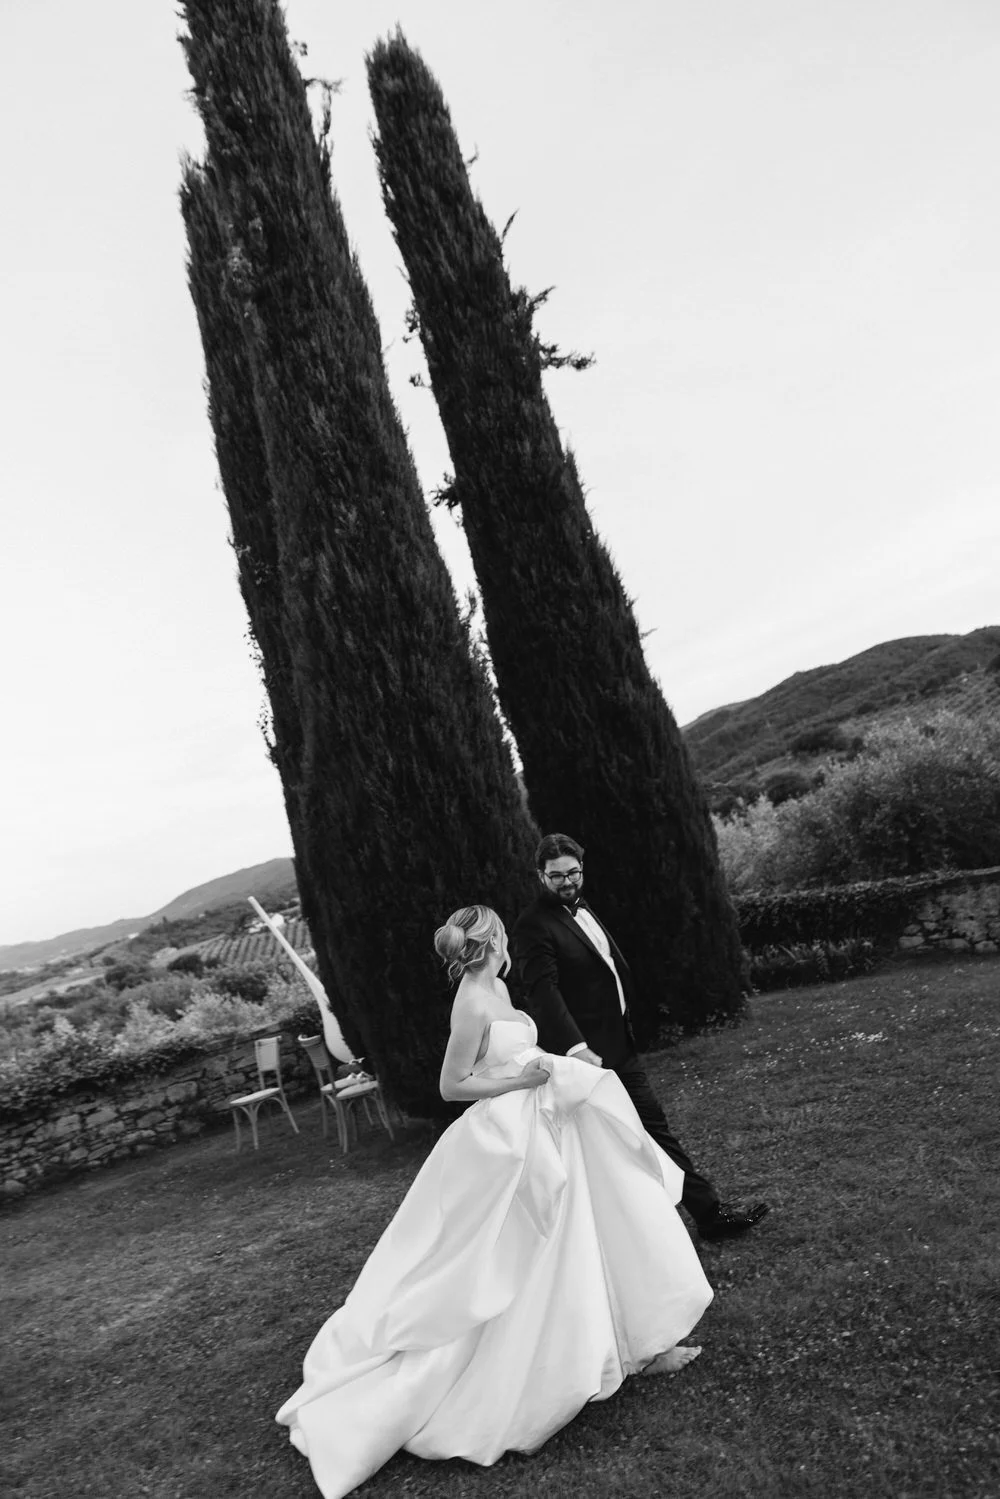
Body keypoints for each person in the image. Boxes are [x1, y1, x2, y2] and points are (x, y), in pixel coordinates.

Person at [276, 905, 713, 1499]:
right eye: (503, 933)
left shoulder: (499, 987)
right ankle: (539, 1372)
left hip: (546, 1118)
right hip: (507, 1136)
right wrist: (523, 1080)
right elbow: (452, 1086)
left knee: (590, 1226)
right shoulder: (470, 1003)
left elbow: (512, 1054)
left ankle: (637, 1346)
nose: (509, 939)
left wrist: (550, 1068)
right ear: (490, 942)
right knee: (524, 1248)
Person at [511, 832, 769, 1242]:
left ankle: (704, 1216)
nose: (567, 882)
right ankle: (601, 1237)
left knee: (649, 1130)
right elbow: (544, 993)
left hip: (618, 1042)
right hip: (588, 1058)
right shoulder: (532, 925)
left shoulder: (585, 908)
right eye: (556, 876)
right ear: (541, 876)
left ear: (582, 869)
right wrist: (579, 1048)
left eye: (572, 872)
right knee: (606, 1146)